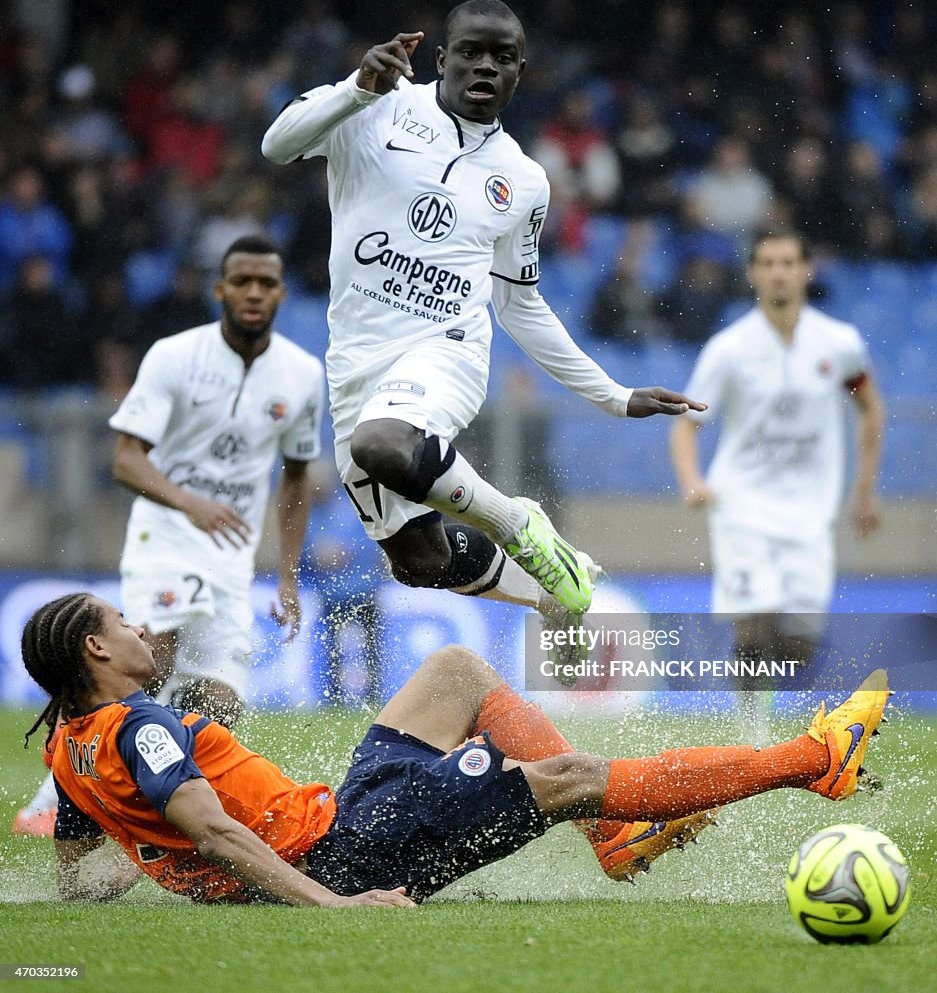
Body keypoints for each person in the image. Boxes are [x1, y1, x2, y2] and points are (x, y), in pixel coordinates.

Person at [261, 0, 704, 637]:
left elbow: (518, 303)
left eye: (503, 58)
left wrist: (613, 394)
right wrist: (357, 87)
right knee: (419, 561)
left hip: (446, 350)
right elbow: (277, 145)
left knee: (382, 443)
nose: (485, 67)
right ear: (442, 60)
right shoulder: (375, 104)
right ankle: (554, 592)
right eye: (471, 52)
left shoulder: (522, 180)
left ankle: (516, 522)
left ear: (520, 74)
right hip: (355, 362)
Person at [23, 592, 887, 906]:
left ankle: (613, 839)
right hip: (342, 856)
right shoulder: (142, 725)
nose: (138, 628)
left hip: (336, 819)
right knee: (570, 777)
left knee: (456, 669)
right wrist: (329, 907)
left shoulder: (70, 744)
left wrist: (158, 863)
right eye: (119, 623)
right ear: (96, 652)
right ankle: (815, 761)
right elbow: (213, 832)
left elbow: (77, 883)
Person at [12, 235, 325, 836]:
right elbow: (126, 459)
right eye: (242, 282)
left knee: (218, 703)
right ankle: (54, 798)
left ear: (282, 292)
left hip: (232, 555)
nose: (254, 293)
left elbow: (296, 477)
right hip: (168, 533)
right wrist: (190, 503)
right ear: (221, 290)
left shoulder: (301, 373)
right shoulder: (175, 356)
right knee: (147, 660)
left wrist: (287, 573)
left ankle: (161, 811)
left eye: (266, 283)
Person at [669, 228, 885, 740]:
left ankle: (774, 710)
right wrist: (693, 481)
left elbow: (870, 409)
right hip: (741, 502)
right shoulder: (729, 348)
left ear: (806, 270)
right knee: (753, 616)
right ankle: (753, 736)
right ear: (753, 274)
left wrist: (864, 492)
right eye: (768, 263)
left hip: (811, 512)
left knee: (801, 642)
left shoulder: (840, 345)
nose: (779, 272)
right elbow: (686, 423)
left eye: (788, 262)